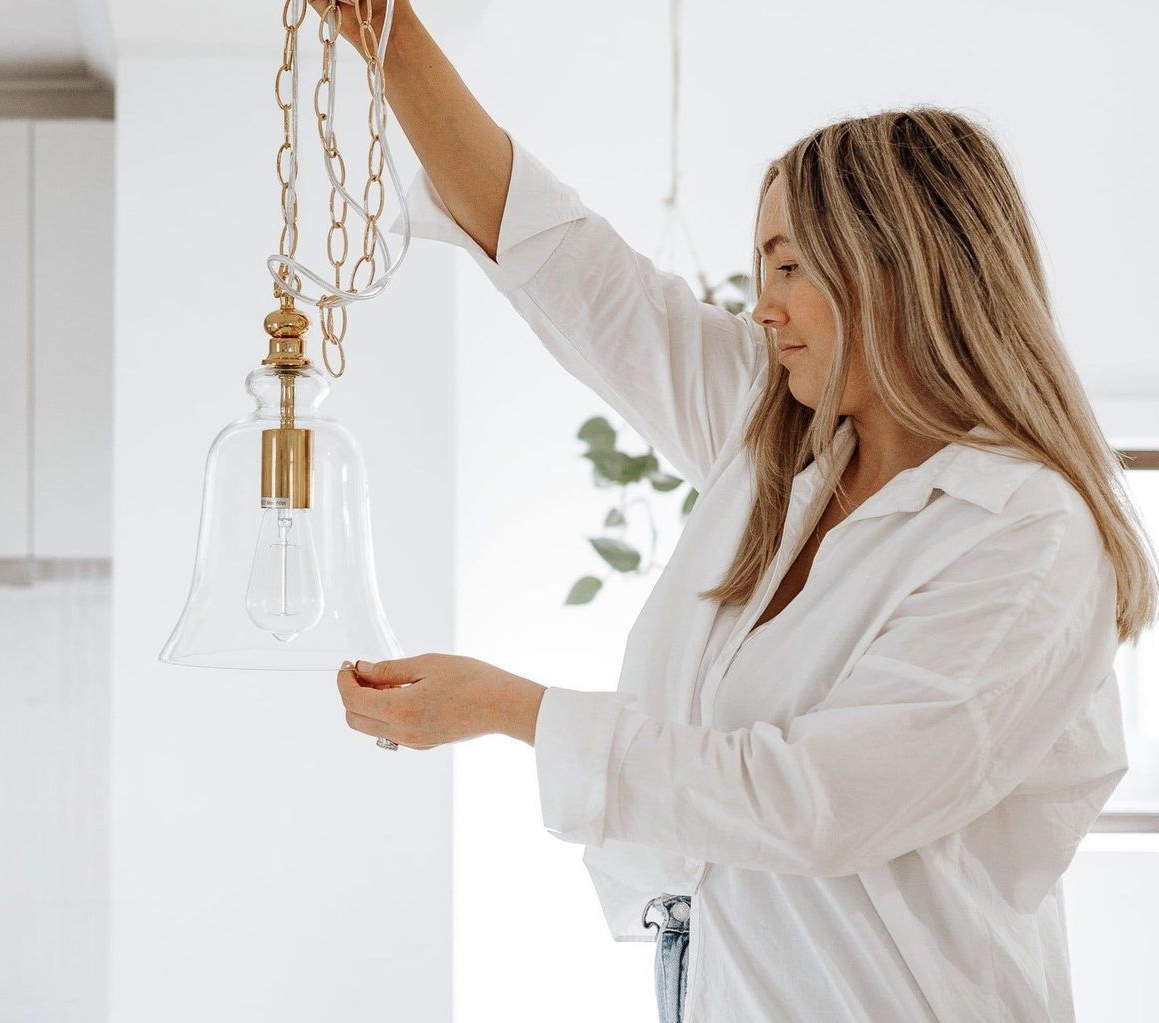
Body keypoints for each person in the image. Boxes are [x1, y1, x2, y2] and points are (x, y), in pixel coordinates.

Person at [314, 1, 1155, 1020]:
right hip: (712, 977)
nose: (764, 305)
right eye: (764, 269)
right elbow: (562, 263)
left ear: (901, 270)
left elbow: (820, 802)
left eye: (791, 267)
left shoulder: (1029, 535)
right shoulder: (777, 444)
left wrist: (507, 709)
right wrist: (383, 30)